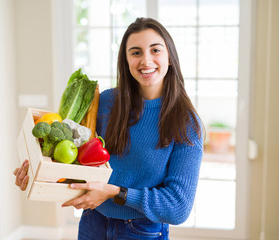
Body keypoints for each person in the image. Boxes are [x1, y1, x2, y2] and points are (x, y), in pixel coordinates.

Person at [14, 17, 204, 240]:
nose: (146, 60)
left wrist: (115, 192)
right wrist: (39, 174)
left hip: (142, 231)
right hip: (93, 221)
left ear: (170, 57)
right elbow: (79, 162)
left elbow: (178, 207)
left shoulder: (186, 122)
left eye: (155, 50)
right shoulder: (106, 102)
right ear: (125, 60)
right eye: (135, 52)